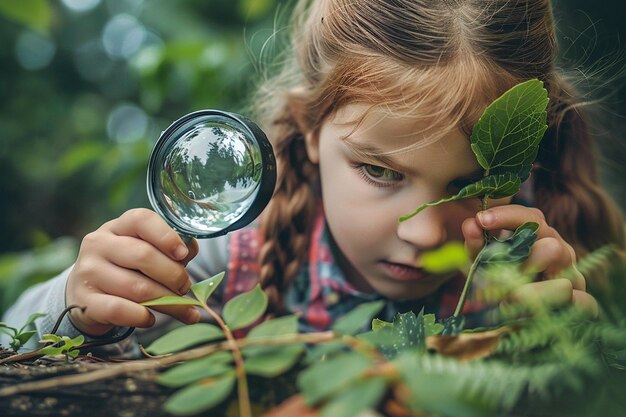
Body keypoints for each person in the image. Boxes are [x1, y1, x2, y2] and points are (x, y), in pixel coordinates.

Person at [3, 0, 625, 353]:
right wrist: (73, 307)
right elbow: (13, 349)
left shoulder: (536, 274)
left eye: (472, 185)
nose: (426, 235)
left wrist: (573, 349)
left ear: (528, 152)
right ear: (307, 129)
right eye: (380, 171)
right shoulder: (221, 261)